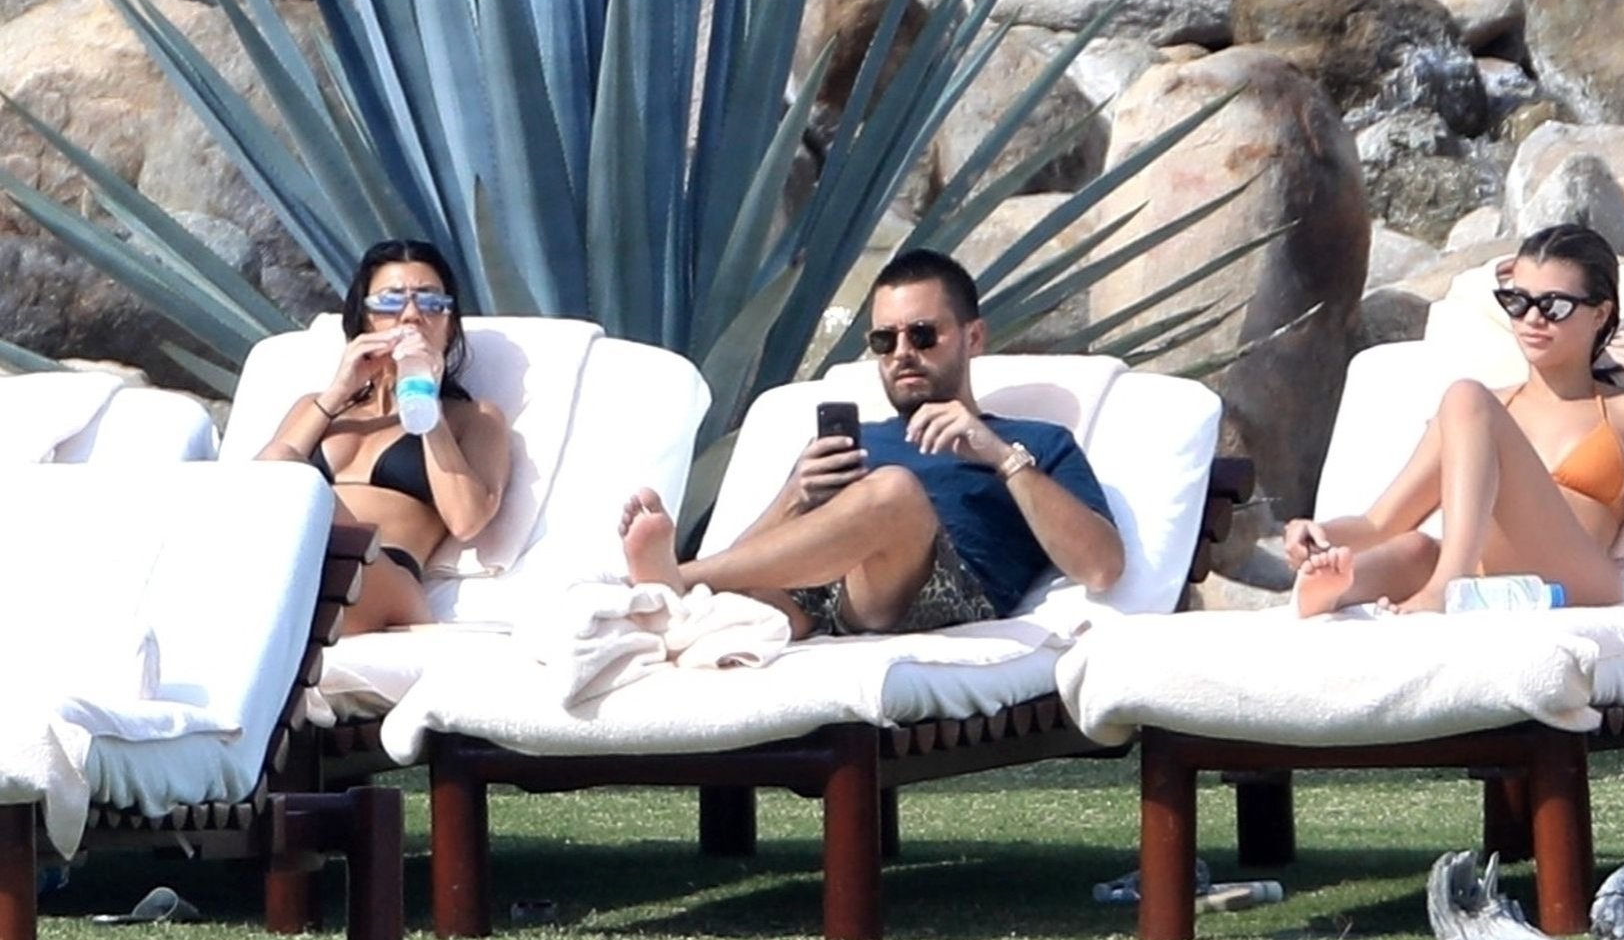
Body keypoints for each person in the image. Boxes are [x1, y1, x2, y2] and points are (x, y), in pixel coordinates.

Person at [617, 248, 1125, 637]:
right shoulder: (858, 440)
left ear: (972, 338)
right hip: (821, 595)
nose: (902, 353)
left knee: (893, 492)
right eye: (885, 340)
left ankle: (678, 578)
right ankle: (680, 591)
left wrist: (998, 455)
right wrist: (794, 495)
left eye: (922, 335)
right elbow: (751, 557)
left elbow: (1102, 568)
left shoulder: (1032, 441)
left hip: (939, 591)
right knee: (752, 599)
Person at [1285, 224, 1624, 616]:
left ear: (1600, 314)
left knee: (1465, 396)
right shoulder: (1479, 418)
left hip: (1577, 583)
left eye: (1554, 306)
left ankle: (1447, 587)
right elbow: (1380, 524)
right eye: (1518, 301)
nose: (1532, 319)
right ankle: (1332, 588)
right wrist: (1319, 534)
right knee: (1416, 548)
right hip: (1489, 582)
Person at [258, 238, 510, 633]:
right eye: (391, 302)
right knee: (278, 464)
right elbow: (254, 492)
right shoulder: (317, 407)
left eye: (431, 303)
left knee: (286, 471)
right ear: (365, 320)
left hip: (381, 576)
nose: (411, 316)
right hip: (294, 560)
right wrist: (338, 392)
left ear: (449, 326)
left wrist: (426, 404)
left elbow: (466, 520)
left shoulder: (472, 418)